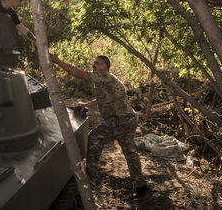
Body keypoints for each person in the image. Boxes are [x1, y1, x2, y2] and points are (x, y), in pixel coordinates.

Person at [49, 53, 150, 199]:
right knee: (129, 151)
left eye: (97, 63)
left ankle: (92, 178)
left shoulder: (106, 75)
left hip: (120, 121)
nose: (94, 65)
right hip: (127, 120)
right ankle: (141, 186)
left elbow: (81, 74)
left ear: (105, 66)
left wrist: (57, 61)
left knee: (95, 137)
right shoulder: (105, 81)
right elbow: (102, 97)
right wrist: (86, 104)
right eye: (94, 63)